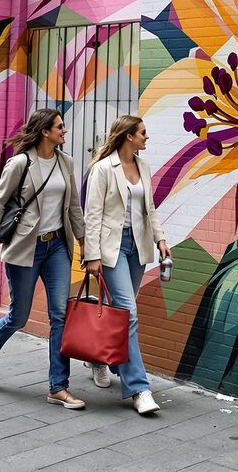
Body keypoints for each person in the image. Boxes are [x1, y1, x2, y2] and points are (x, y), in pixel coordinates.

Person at [0, 108, 87, 409]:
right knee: (19, 316)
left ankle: (58, 387)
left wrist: (85, 244)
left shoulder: (66, 162)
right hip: (26, 247)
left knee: (59, 315)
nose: (64, 130)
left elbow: (73, 207)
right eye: (60, 127)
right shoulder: (20, 163)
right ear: (45, 131)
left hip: (58, 246)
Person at [81, 115, 171, 415]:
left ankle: (98, 359)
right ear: (128, 136)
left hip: (137, 246)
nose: (147, 137)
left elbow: (150, 209)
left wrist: (160, 240)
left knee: (117, 312)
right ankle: (138, 388)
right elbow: (92, 214)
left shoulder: (143, 167)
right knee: (128, 313)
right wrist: (91, 255)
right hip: (112, 247)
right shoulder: (103, 169)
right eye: (143, 133)